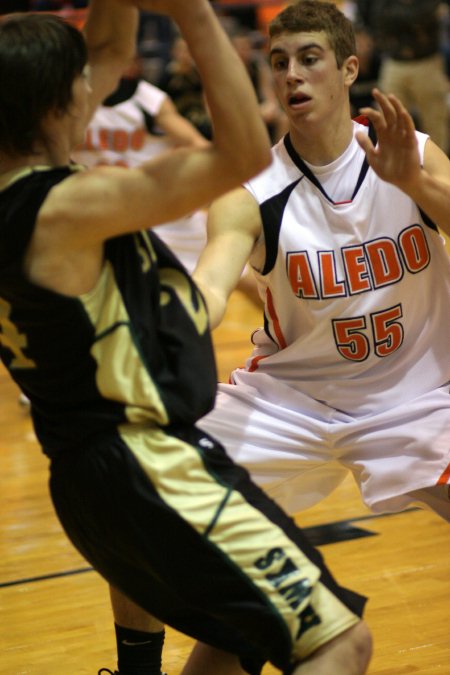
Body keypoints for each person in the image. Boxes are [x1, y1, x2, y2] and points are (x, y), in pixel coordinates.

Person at [0, 3, 372, 675]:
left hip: (89, 478)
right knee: (340, 640)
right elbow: (242, 154)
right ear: (56, 107)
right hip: (145, 458)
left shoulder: (15, 189)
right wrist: (196, 15)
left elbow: (109, 45)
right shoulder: (64, 208)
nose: (97, 84)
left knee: (241, 631)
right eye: (81, 83)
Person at [103, 0, 449, 671]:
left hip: (416, 394)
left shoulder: (413, 154)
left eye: (310, 58)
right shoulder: (251, 188)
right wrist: (170, 321)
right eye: (280, 61)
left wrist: (415, 185)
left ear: (350, 68)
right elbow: (210, 284)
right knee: (135, 498)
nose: (292, 74)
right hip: (290, 403)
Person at [73, 54, 210, 274]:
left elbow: (198, 146)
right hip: (98, 213)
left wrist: (190, 188)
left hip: (155, 209)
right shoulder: (74, 102)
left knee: (228, 270)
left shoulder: (147, 98)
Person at [355, 0, 449, 155]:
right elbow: (378, 18)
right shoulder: (384, 5)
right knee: (388, 117)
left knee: (436, 121)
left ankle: (438, 169)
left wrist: (403, 19)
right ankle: (392, 163)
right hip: (394, 62)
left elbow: (426, 14)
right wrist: (412, 21)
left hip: (427, 62)